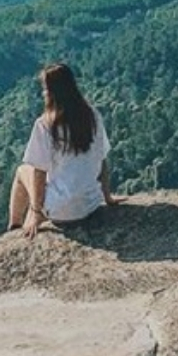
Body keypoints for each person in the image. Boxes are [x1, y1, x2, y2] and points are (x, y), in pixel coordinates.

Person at [8, 62, 116, 239]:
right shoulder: (92, 116)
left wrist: (35, 210)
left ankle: (14, 226)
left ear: (51, 92)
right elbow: (102, 159)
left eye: (44, 88)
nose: (43, 93)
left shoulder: (45, 125)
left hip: (61, 211)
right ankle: (23, 222)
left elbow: (39, 171)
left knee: (22, 171)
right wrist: (108, 197)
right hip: (91, 205)